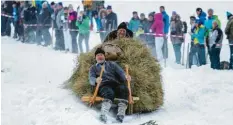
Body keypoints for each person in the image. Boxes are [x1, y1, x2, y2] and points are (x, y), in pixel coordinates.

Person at [89, 48, 131, 123]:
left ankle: (120, 114)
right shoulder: (93, 68)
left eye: (101, 55)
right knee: (109, 92)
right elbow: (91, 79)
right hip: (103, 86)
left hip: (115, 84)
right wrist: (96, 80)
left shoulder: (112, 64)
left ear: (104, 56)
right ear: (96, 58)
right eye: (98, 55)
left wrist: (126, 76)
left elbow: (121, 73)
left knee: (124, 89)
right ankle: (103, 113)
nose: (100, 57)